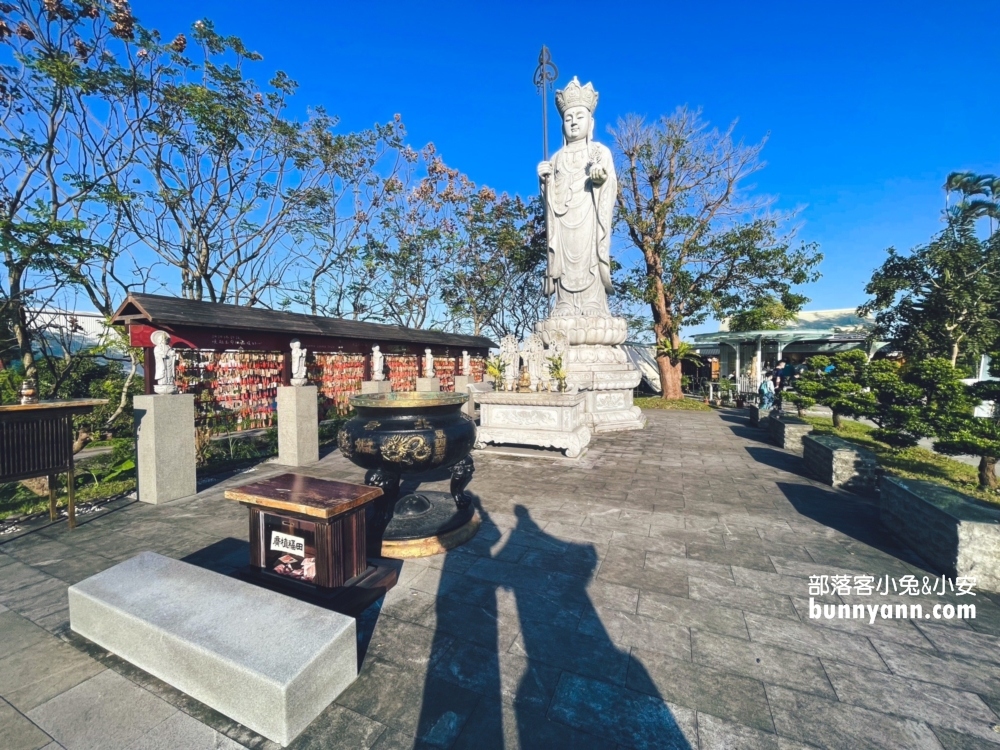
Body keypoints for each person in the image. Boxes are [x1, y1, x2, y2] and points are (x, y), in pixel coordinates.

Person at [537, 77, 616, 318]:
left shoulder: (599, 151)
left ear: (590, 122)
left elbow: (609, 183)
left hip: (589, 218)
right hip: (563, 223)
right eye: (568, 118)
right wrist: (544, 182)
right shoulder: (557, 158)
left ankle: (593, 304)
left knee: (588, 257)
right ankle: (565, 304)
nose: (573, 123)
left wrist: (600, 179)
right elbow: (548, 202)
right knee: (563, 259)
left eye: (579, 117)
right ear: (562, 124)